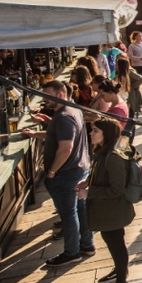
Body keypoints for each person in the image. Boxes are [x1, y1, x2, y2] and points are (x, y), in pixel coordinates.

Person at [21, 80, 94, 266]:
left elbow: (66, 148)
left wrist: (52, 171)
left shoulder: (63, 116)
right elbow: (59, 135)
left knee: (69, 214)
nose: (44, 99)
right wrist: (37, 133)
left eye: (47, 95)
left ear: (60, 94)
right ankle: (87, 244)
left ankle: (72, 252)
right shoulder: (72, 110)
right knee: (81, 210)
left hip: (67, 172)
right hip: (79, 168)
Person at [77, 118, 136, 283]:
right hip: (106, 210)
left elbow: (116, 189)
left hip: (113, 211)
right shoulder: (102, 152)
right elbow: (101, 175)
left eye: (95, 131)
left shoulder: (113, 157)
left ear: (106, 135)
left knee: (116, 245)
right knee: (114, 243)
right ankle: (120, 270)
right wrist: (88, 182)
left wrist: (89, 192)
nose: (91, 133)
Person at [127, 31, 142, 101]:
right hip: (136, 65)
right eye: (139, 36)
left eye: (141, 36)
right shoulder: (132, 45)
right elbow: (130, 56)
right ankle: (136, 95)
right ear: (135, 37)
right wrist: (139, 58)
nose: (140, 37)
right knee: (137, 80)